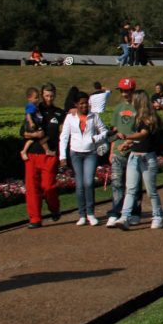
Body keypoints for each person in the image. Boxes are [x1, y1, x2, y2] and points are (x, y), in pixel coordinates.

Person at [113, 90, 163, 229]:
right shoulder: (137, 118)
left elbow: (143, 134)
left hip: (147, 158)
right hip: (134, 156)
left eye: (135, 100)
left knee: (151, 190)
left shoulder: (149, 119)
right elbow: (138, 139)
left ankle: (157, 216)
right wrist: (127, 144)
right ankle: (125, 217)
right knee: (130, 188)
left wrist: (127, 137)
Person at [59, 91, 108, 225]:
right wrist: (62, 156)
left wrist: (96, 138)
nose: (84, 106)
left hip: (90, 153)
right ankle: (82, 214)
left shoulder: (94, 116)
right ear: (76, 104)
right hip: (75, 153)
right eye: (81, 103)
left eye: (86, 103)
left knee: (89, 183)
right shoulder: (70, 117)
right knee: (80, 185)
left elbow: (104, 131)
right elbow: (64, 137)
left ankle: (91, 213)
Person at [21, 83, 64, 228]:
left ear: (55, 95)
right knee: (32, 188)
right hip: (33, 153)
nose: (49, 98)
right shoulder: (34, 109)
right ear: (42, 95)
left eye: (51, 95)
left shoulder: (59, 113)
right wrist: (34, 134)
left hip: (50, 154)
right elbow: (23, 132)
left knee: (48, 186)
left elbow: (65, 132)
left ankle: (54, 208)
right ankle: (35, 219)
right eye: (46, 95)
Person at [106, 79, 142, 227]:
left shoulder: (139, 109)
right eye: (122, 91)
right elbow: (115, 132)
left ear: (133, 91)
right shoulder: (118, 108)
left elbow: (142, 132)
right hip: (118, 151)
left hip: (134, 151)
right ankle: (117, 211)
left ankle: (134, 212)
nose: (124, 93)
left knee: (134, 184)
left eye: (127, 90)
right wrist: (111, 150)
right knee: (116, 183)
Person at [19, 87, 50, 161]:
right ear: (29, 98)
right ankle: (47, 150)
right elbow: (28, 115)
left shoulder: (34, 106)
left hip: (35, 123)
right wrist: (31, 123)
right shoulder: (31, 106)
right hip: (32, 124)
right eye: (36, 98)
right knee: (41, 136)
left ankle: (24, 151)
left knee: (34, 139)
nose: (37, 100)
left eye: (38, 98)